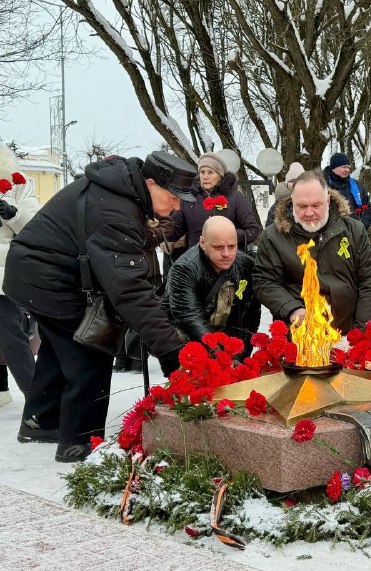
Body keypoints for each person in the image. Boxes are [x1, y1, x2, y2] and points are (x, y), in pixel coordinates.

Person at [3, 151, 195, 462]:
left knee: (57, 344)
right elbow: (130, 292)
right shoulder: (115, 212)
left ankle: (41, 421)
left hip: (35, 272)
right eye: (173, 196)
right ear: (149, 182)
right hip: (47, 279)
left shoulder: (122, 190)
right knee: (91, 349)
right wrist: (172, 353)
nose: (177, 205)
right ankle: (80, 442)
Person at [253, 170, 371, 333]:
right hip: (299, 335)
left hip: (346, 332)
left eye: (316, 205)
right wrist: (292, 309)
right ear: (292, 201)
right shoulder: (273, 236)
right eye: (301, 206)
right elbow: (264, 281)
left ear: (327, 200)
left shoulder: (354, 230)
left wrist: (361, 331)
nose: (309, 213)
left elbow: (370, 279)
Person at [162, 216, 260, 354]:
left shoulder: (246, 265)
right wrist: (218, 355)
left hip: (226, 338)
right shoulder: (184, 269)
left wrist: (240, 356)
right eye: (218, 247)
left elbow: (250, 316)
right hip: (189, 340)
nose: (227, 253)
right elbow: (189, 318)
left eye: (232, 246)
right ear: (202, 242)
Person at [0, 146, 39, 407]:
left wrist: (11, 213)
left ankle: (37, 395)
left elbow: (35, 223)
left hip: (4, 270)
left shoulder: (18, 182)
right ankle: (2, 390)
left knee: (9, 330)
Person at [170, 152, 260, 258]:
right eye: (202, 172)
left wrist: (228, 235)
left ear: (220, 176)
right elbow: (175, 231)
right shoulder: (189, 198)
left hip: (228, 261)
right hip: (197, 262)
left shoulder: (235, 197)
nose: (205, 177)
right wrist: (161, 225)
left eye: (210, 172)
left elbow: (252, 230)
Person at [323, 153, 371, 229]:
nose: (347, 170)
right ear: (333, 168)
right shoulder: (321, 185)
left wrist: (363, 225)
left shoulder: (358, 186)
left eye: (349, 167)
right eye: (344, 167)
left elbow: (367, 206)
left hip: (354, 231)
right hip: (329, 232)